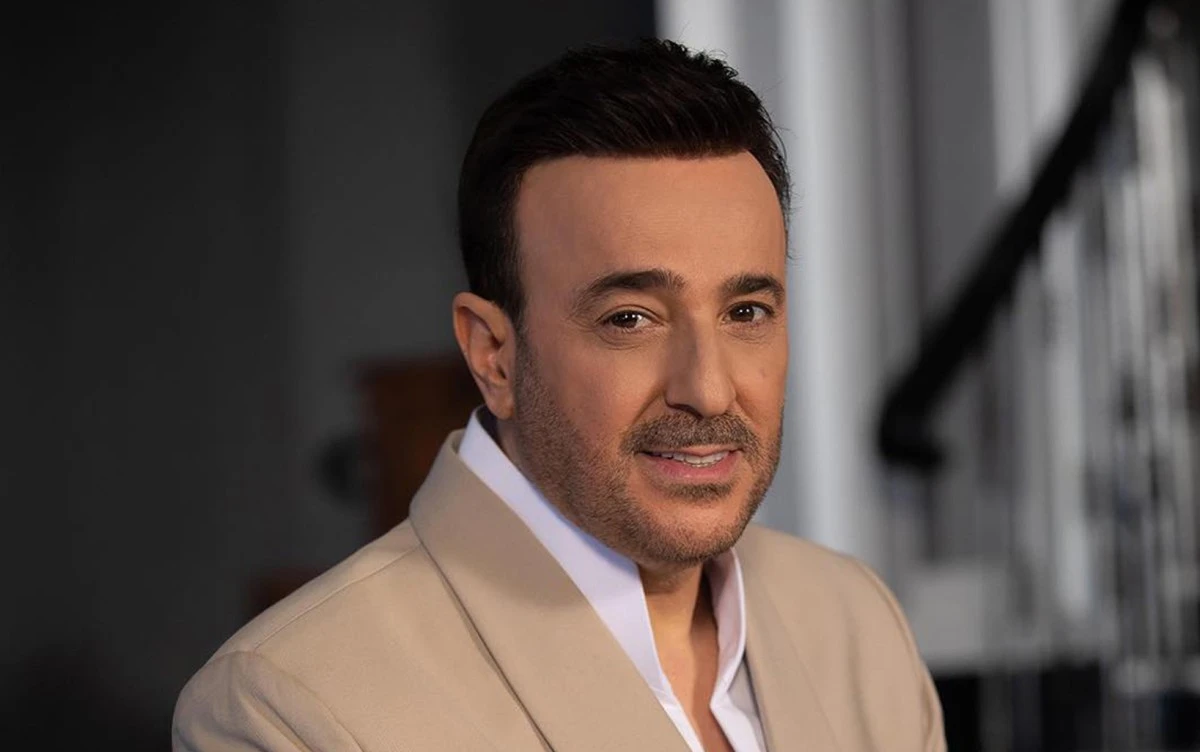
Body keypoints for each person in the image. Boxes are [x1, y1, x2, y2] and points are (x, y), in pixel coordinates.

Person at [173, 39, 945, 751]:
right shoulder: (290, 705)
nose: (709, 391)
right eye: (629, 319)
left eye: (745, 312)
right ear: (493, 356)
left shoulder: (858, 626)